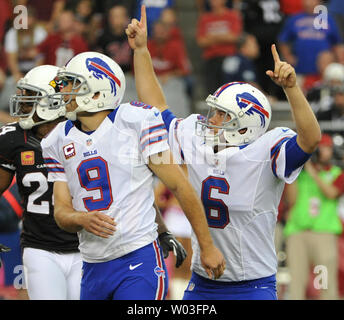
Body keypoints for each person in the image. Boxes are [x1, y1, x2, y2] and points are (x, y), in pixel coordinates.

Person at [127, 10, 321, 298]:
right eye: (214, 111)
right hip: (203, 281)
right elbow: (156, 109)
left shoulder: (266, 151)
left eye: (221, 114)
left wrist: (292, 89)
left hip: (253, 283)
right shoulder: (197, 137)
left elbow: (310, 139)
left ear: (246, 126)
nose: (211, 119)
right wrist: (142, 51)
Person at [41, 5, 225, 301]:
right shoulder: (57, 140)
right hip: (92, 264)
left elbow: (179, 185)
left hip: (137, 259)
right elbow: (61, 211)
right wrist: (80, 219)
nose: (64, 91)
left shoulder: (134, 122)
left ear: (98, 92)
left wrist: (206, 245)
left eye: (73, 85)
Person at [0, 65, 82, 300]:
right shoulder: (13, 138)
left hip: (87, 247)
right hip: (40, 247)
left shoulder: (84, 133)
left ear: (54, 102)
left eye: (30, 99)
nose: (22, 105)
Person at [284, 134, 342, 299]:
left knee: (324, 282)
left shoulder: (336, 173)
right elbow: (291, 200)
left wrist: (313, 172)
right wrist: (296, 169)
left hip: (324, 233)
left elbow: (331, 193)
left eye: (328, 148)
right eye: (322, 148)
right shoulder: (299, 175)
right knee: (296, 282)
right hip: (297, 232)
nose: (326, 152)